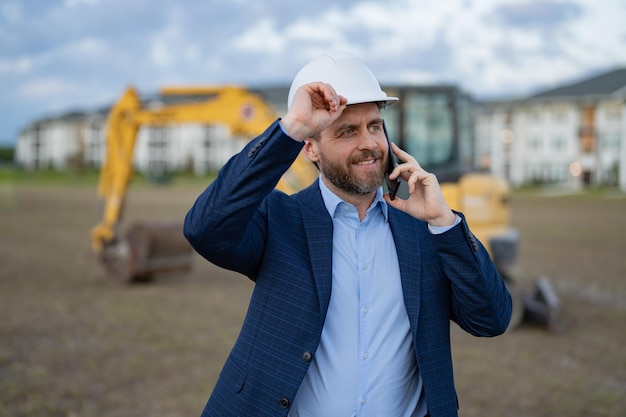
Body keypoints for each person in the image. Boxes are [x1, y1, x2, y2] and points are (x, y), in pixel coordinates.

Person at [184, 51, 512, 417]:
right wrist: (289, 128)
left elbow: (491, 320)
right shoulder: (280, 218)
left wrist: (444, 222)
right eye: (347, 131)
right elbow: (205, 228)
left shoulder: (426, 229)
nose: (368, 143)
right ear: (309, 147)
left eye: (374, 126)